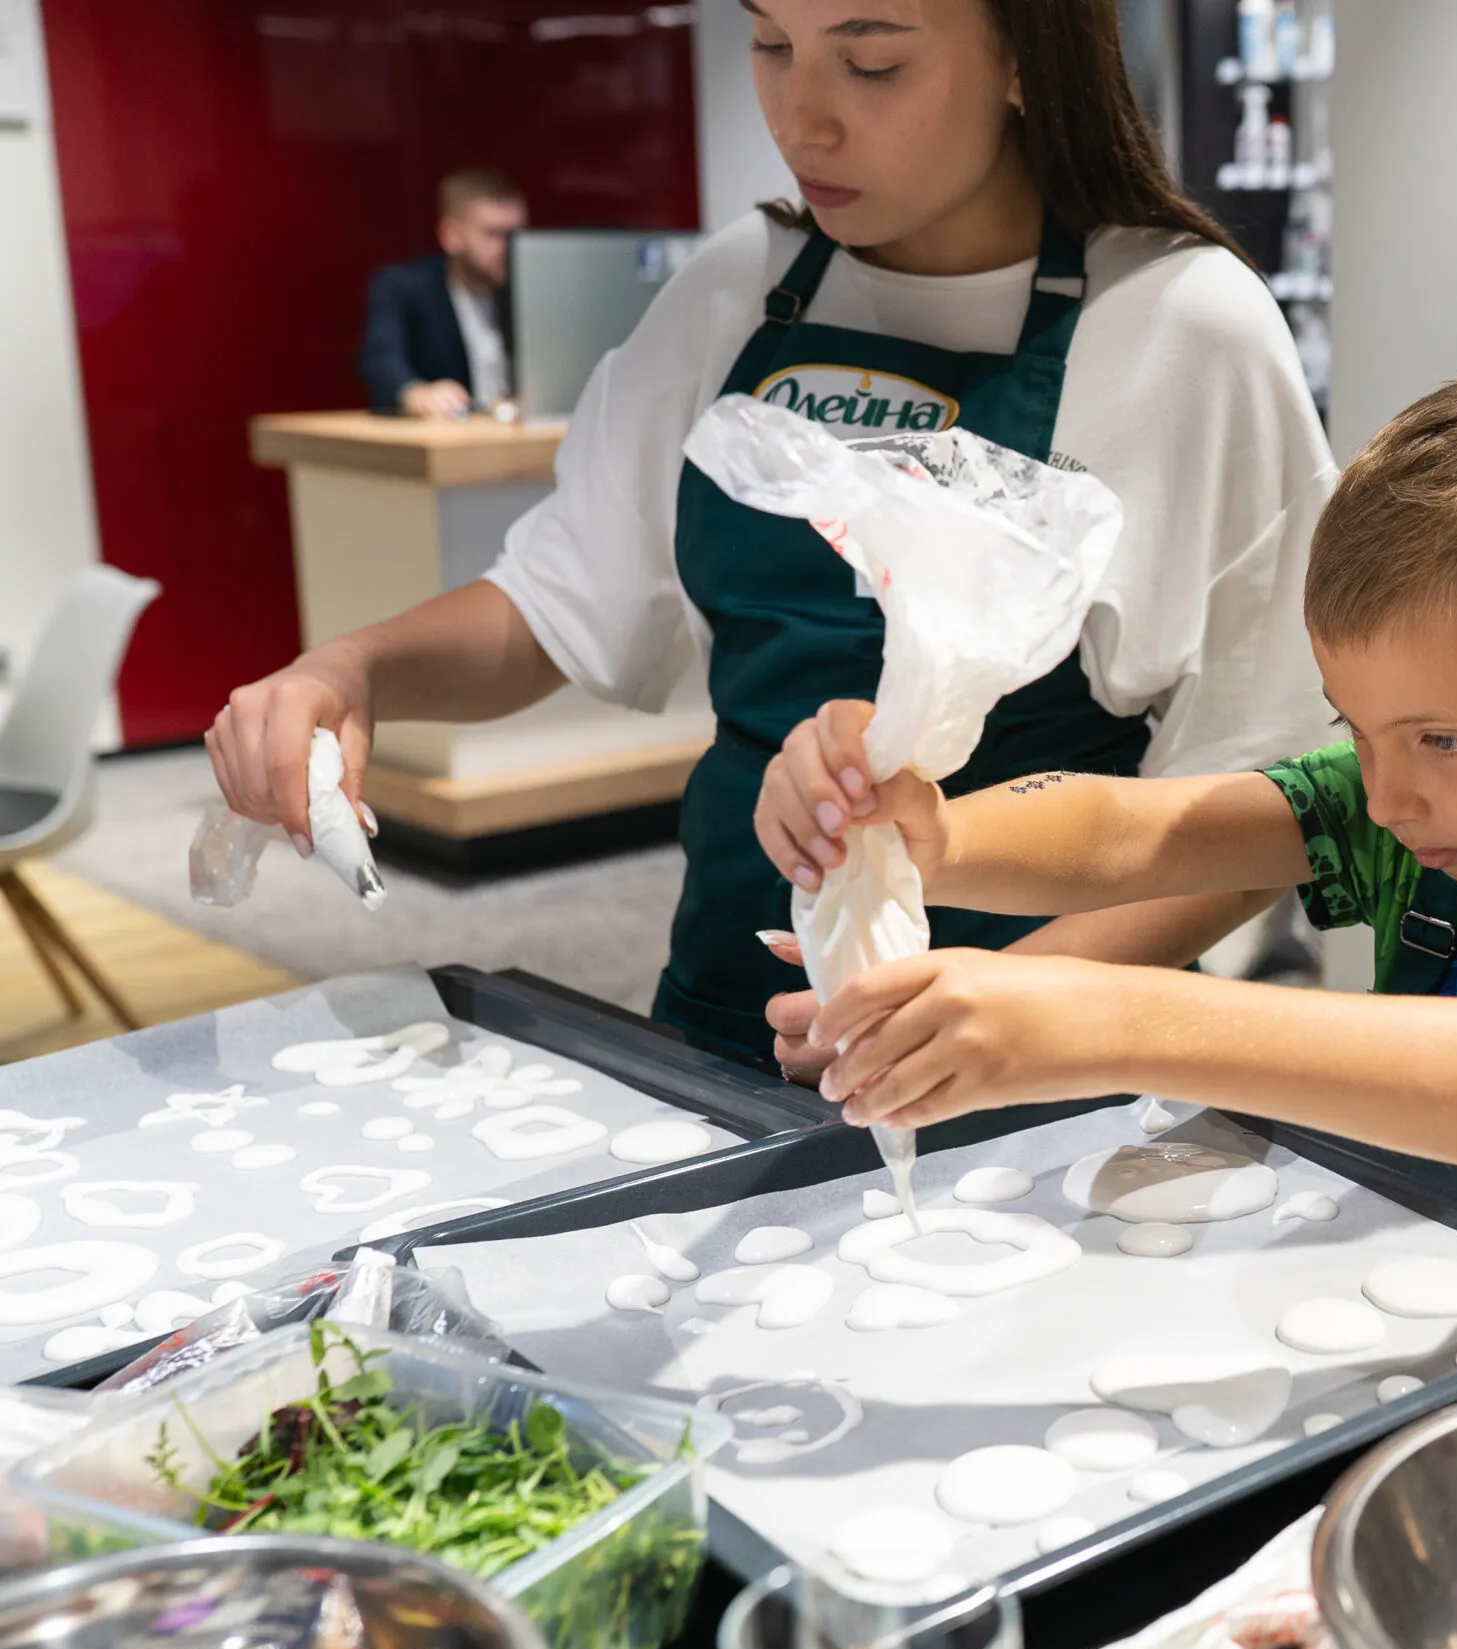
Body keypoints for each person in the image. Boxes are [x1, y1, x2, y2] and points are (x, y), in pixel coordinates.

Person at [211, 0, 1337, 1071]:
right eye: (768, 44)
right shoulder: (735, 292)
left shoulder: (1181, 329)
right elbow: (554, 602)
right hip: (728, 1016)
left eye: (871, 61)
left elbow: (1271, 799)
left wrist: (1008, 1010)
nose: (801, 118)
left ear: (1024, 57)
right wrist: (350, 671)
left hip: (1050, 1053)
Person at [759, 369, 1457, 1372]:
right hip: (1422, 1348)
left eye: (1442, 741)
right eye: (1358, 732)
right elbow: (1133, 831)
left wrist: (1105, 1023)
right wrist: (929, 836)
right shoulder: (1403, 812)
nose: (1382, 797)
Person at [360, 168, 527, 418]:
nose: (509, 248)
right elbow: (380, 360)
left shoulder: (532, 290)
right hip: (452, 440)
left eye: (515, 234)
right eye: (493, 234)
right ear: (451, 236)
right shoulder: (405, 287)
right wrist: (416, 394)